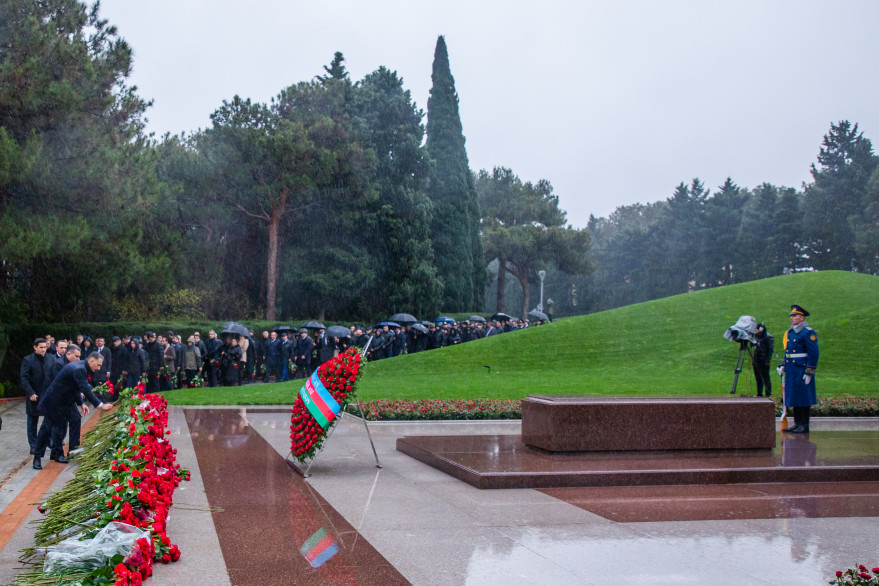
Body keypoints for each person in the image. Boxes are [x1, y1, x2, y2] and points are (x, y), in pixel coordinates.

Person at [32, 351, 112, 469]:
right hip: (54, 402)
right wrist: (100, 405)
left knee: (75, 419)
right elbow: (85, 388)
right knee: (47, 429)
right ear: (91, 361)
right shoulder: (80, 368)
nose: (99, 368)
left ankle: (72, 452)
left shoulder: (82, 367)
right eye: (98, 365)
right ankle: (37, 457)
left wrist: (81, 403)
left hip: (67, 401)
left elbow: (75, 387)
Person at [780, 305, 819, 433]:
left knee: (804, 396)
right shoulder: (790, 332)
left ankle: (804, 424)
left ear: (802, 318)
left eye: (794, 315)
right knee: (795, 396)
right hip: (792, 369)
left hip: (802, 369)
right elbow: (788, 351)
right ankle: (797, 423)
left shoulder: (808, 332)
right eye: (791, 315)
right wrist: (783, 365)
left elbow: (813, 354)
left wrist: (810, 372)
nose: (791, 318)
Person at [20, 338, 51, 455]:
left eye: (45, 347)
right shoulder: (28, 360)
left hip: (48, 395)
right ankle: (33, 445)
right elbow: (24, 378)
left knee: (49, 419)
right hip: (34, 395)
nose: (43, 350)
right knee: (32, 420)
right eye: (41, 347)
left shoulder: (50, 358)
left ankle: (48, 440)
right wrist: (30, 392)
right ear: (35, 347)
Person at [751, 322, 774, 397]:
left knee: (766, 377)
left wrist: (767, 360)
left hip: (764, 360)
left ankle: (768, 393)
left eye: (757, 329)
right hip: (756, 359)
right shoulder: (756, 336)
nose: (755, 331)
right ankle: (759, 393)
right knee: (758, 378)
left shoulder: (768, 337)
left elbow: (770, 350)